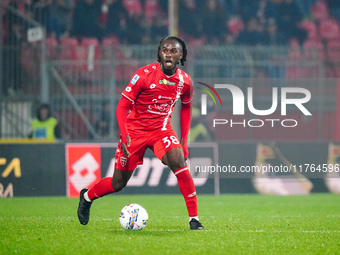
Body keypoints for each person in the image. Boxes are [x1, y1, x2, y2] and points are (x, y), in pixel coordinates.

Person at [77, 36, 204, 230]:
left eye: (173, 51)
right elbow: (122, 107)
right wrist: (125, 135)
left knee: (179, 161)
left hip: (161, 130)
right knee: (118, 183)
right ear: (159, 53)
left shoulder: (185, 82)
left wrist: (184, 142)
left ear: (181, 55)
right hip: (134, 132)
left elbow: (186, 109)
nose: (168, 53)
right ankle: (87, 196)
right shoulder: (143, 75)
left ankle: (194, 219)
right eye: (164, 50)